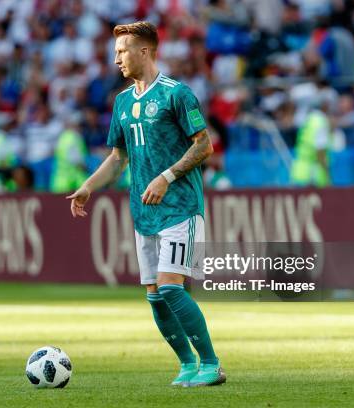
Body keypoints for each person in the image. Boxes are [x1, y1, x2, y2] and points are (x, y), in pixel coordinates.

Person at [67, 21, 225, 387]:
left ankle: (212, 363)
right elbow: (118, 158)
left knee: (171, 288)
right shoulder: (122, 102)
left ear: (145, 51)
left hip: (180, 206)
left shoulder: (176, 94)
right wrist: (88, 186)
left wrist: (166, 177)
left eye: (122, 50)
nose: (116, 57)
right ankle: (187, 365)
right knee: (155, 296)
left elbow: (204, 145)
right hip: (144, 214)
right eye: (116, 51)